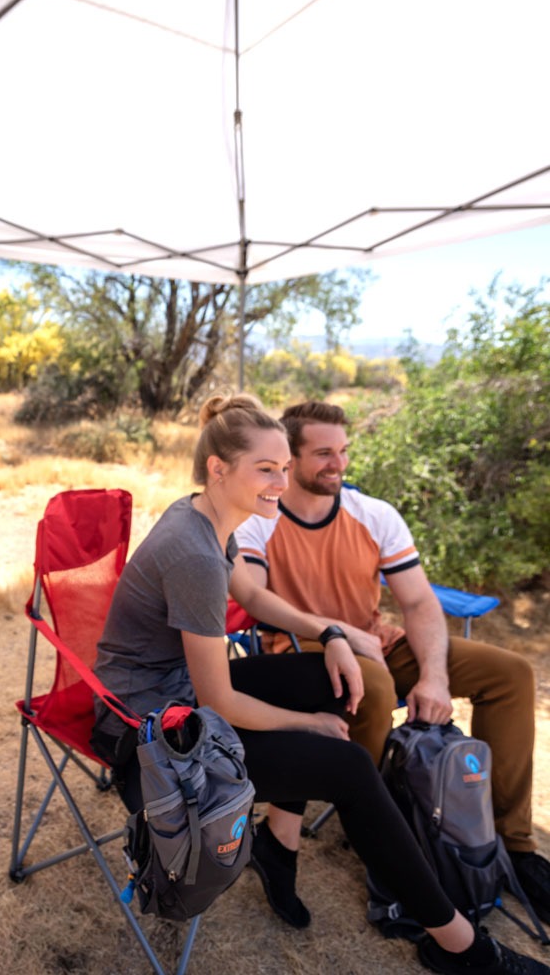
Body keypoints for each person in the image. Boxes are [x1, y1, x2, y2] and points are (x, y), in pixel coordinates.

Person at [89, 392, 548, 975]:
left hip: (172, 697)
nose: (280, 482)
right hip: (145, 731)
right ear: (218, 467)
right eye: (267, 469)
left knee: (331, 681)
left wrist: (332, 632)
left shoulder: (207, 516)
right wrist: (310, 726)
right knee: (347, 764)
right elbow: (219, 701)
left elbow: (251, 596)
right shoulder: (195, 552)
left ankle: (280, 847)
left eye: (284, 468)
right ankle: (463, 947)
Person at [233, 399, 550, 925]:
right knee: (373, 687)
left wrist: (434, 676)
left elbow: (420, 602)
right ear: (289, 457)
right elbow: (258, 598)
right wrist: (339, 633)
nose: (338, 464)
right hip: (302, 648)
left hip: (376, 641)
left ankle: (508, 844)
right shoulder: (260, 519)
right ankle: (388, 836)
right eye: (323, 453)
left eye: (343, 452)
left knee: (511, 674)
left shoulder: (373, 514)